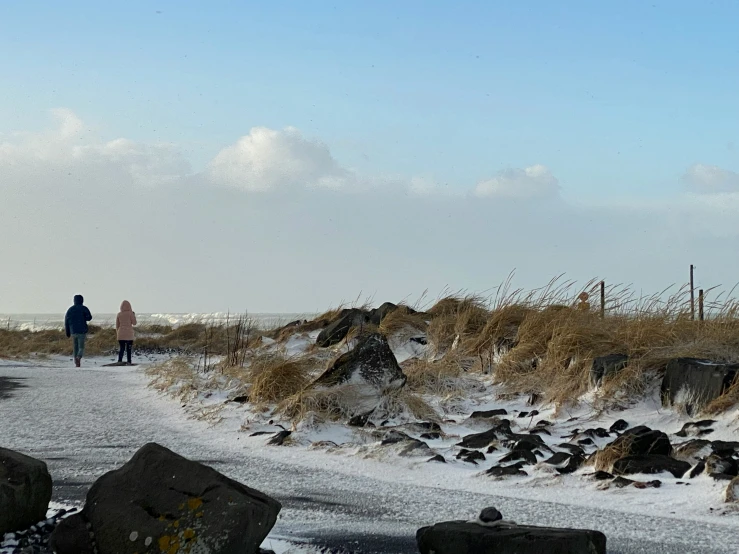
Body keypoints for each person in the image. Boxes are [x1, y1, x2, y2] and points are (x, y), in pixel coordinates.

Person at [64, 294, 93, 367]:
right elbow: (89, 317)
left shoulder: (70, 310)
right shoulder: (84, 308)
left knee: (75, 347)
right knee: (81, 347)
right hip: (82, 330)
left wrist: (67, 332)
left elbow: (66, 322)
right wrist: (84, 318)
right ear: (82, 300)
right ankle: (78, 357)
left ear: (74, 301)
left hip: (73, 331)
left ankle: (76, 362)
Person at [115, 300, 137, 365]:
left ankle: (119, 360)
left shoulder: (119, 314)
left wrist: (117, 333)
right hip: (129, 334)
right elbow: (134, 323)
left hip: (120, 334)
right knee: (129, 349)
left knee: (122, 348)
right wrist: (133, 315)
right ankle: (129, 361)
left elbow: (117, 325)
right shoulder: (130, 313)